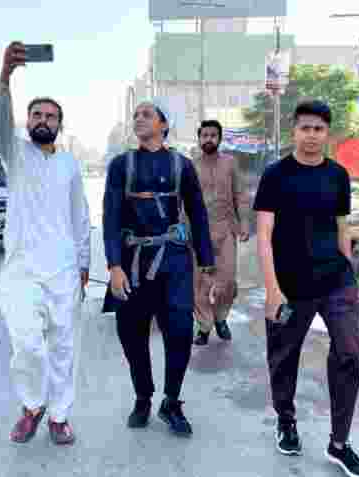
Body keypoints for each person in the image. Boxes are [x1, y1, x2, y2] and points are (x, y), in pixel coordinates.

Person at [253, 100, 359, 477]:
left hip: (335, 280)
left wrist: (351, 275)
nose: (311, 135)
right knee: (284, 356)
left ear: (328, 134)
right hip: (291, 285)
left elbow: (342, 227)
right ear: (294, 131)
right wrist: (272, 290)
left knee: (349, 352)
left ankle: (340, 443)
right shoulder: (276, 176)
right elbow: (264, 234)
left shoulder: (338, 175)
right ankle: (286, 420)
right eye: (305, 128)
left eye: (319, 129)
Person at [0, 41, 91, 446]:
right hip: (20, 270)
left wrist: (84, 265)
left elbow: (80, 215)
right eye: (36, 114)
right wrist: (4, 76)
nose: (43, 119)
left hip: (64, 269)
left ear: (60, 124)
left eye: (50, 115)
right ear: (27, 121)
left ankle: (59, 415)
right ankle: (33, 405)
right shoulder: (14, 152)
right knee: (27, 345)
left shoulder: (68, 163)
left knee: (63, 347)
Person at [101, 99, 215, 437]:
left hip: (174, 262)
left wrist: (206, 261)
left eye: (146, 114)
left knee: (180, 332)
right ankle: (143, 396)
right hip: (133, 263)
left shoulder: (182, 165)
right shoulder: (121, 165)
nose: (138, 119)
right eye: (135, 114)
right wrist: (114, 266)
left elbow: (198, 212)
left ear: (164, 125)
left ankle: (171, 401)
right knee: (131, 334)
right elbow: (110, 216)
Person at [190, 119, 252, 345]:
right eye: (204, 135)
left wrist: (244, 223)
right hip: (198, 233)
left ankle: (221, 318)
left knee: (227, 282)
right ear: (199, 138)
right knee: (200, 283)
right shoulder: (191, 166)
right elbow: (182, 201)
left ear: (219, 138)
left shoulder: (230, 163)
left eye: (213, 135)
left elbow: (240, 194)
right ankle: (204, 326)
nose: (209, 139)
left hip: (226, 229)